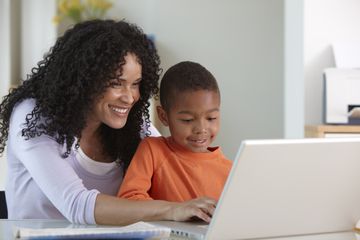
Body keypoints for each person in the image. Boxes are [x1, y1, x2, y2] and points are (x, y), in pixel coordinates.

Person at [0, 20, 216, 225]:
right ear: (83, 79)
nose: (129, 97)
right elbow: (76, 204)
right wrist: (172, 209)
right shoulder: (34, 117)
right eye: (116, 83)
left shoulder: (133, 126)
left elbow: (172, 161)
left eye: (136, 84)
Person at [118, 61, 232, 202]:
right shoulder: (153, 151)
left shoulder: (230, 170)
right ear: (164, 116)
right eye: (188, 120)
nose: (201, 129)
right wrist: (177, 211)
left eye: (211, 118)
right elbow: (129, 198)